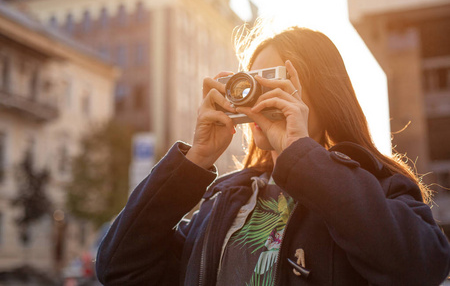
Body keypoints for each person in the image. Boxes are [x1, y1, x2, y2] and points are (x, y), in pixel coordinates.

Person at [95, 26, 450, 286]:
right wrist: (194, 162)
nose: (257, 97)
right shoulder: (223, 201)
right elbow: (118, 266)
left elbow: (421, 267)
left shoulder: (377, 185)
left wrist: (302, 152)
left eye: (274, 82)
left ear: (322, 94)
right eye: (250, 82)